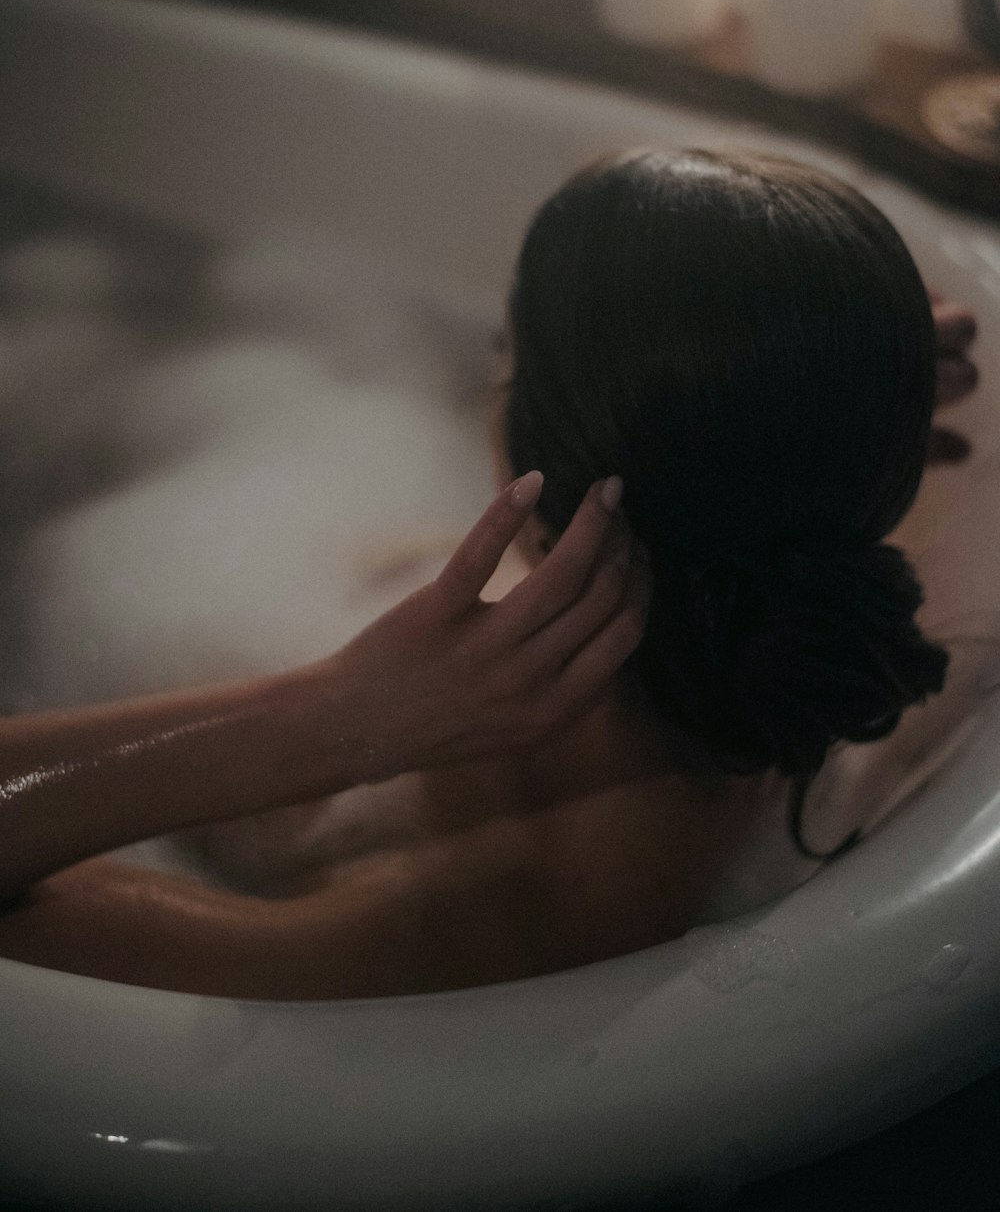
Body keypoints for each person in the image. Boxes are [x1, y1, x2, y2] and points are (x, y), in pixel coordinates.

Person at [0, 149, 978, 998]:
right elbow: (742, 475)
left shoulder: (481, 907)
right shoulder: (767, 671)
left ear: (551, 479)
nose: (485, 387)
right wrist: (824, 380)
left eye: (506, 354)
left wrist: (331, 718)